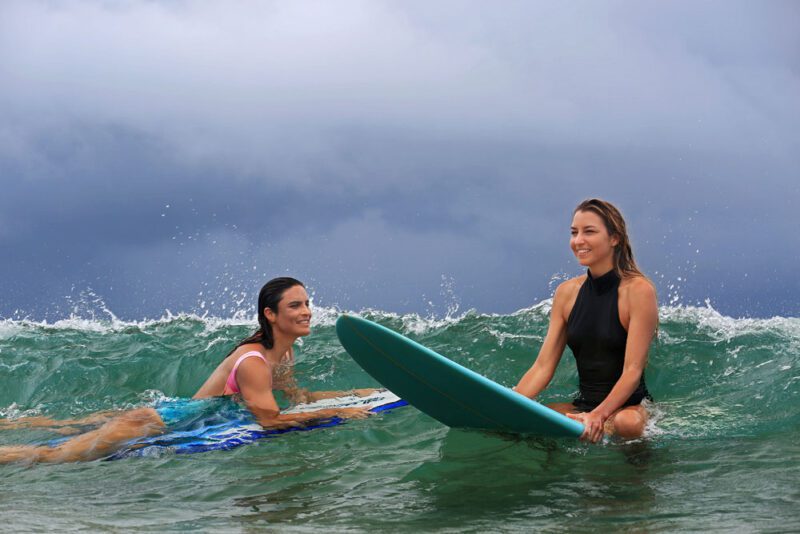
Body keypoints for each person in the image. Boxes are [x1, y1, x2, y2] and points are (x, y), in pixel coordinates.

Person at [0, 277, 374, 463]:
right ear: (270, 314)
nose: (306, 311)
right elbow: (270, 420)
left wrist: (358, 394)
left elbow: (300, 399)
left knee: (60, 428)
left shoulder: (284, 355)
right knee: (51, 456)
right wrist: (339, 413)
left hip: (173, 415)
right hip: (156, 423)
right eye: (294, 305)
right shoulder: (254, 362)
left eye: (307, 303)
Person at [515, 199, 658, 443]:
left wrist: (599, 415)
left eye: (589, 231)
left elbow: (632, 370)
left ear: (614, 238)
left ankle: (638, 475)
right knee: (538, 417)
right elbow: (543, 367)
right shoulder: (566, 293)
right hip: (584, 405)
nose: (578, 240)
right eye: (574, 233)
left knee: (627, 424)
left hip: (628, 407)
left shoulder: (638, 291)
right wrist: (512, 402)